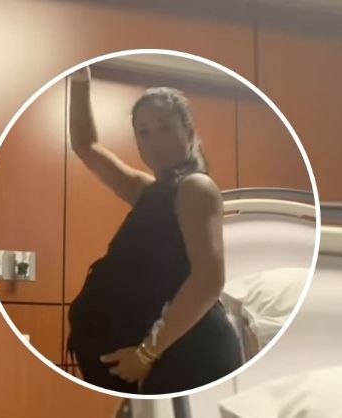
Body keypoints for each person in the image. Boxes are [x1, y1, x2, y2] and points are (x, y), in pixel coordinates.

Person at [65, 66, 242, 394]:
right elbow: (86, 145)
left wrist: (146, 353)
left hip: (190, 356)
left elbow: (208, 280)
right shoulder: (147, 191)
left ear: (189, 132)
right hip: (161, 359)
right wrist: (79, 79)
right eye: (143, 132)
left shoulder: (196, 187)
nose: (154, 141)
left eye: (164, 128)